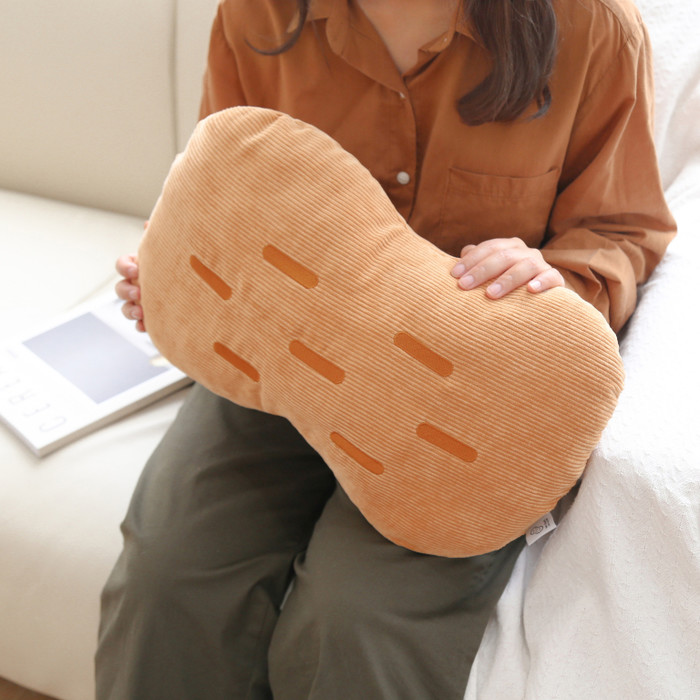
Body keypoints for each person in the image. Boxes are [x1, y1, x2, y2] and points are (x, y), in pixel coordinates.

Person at [96, 0, 676, 698]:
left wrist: (551, 274)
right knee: (165, 574)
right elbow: (222, 190)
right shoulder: (258, 14)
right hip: (280, 356)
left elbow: (621, 231)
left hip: (464, 402)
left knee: (356, 619)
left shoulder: (592, 30)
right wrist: (173, 278)